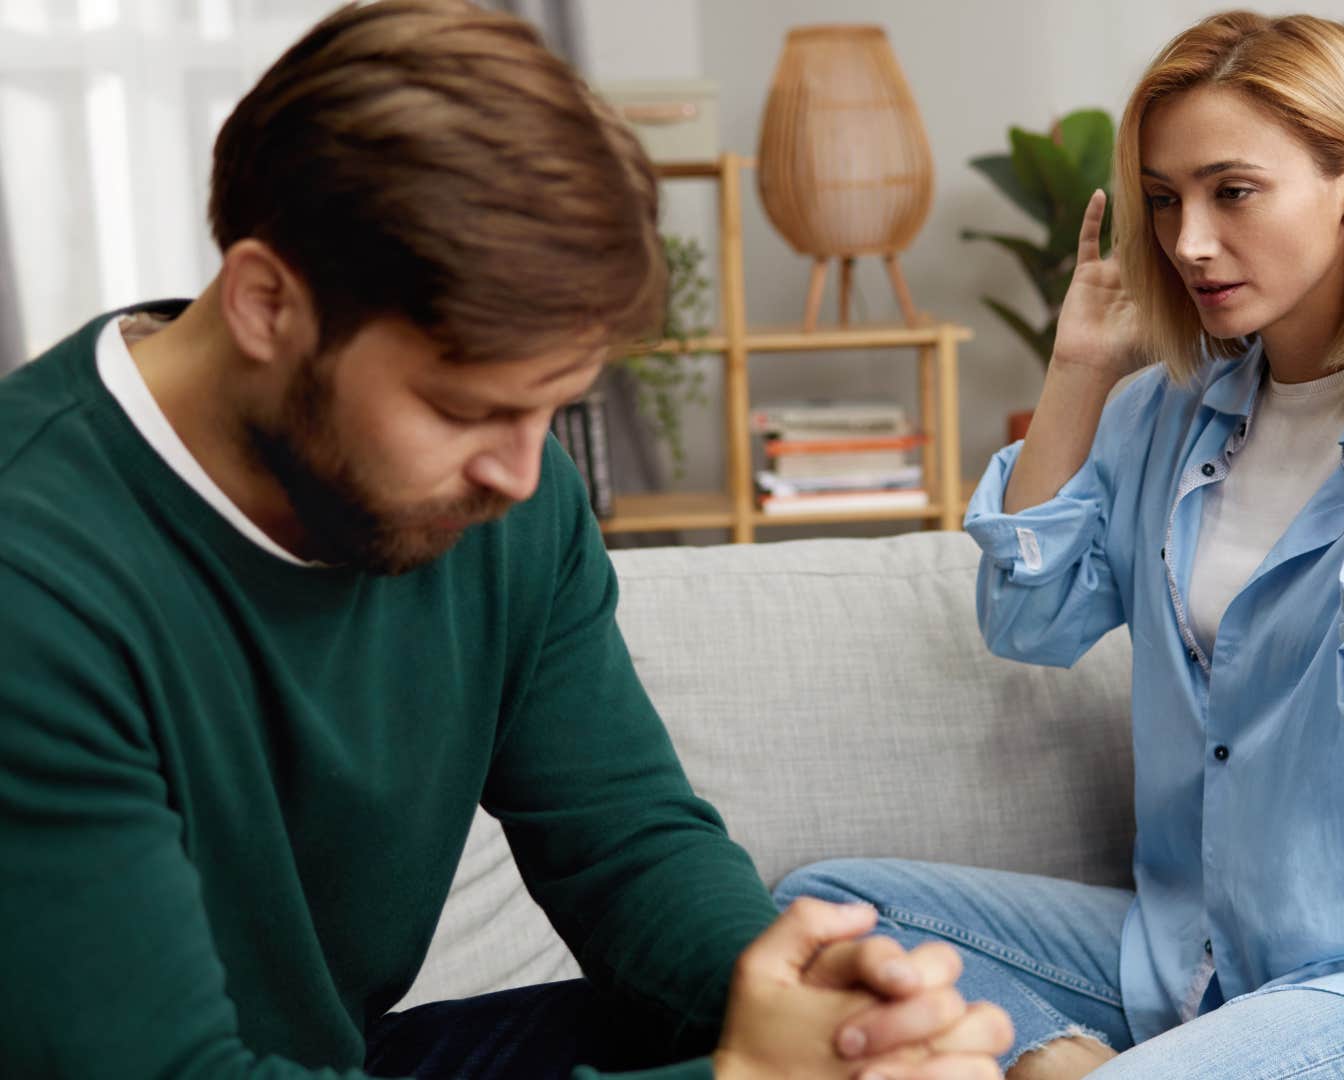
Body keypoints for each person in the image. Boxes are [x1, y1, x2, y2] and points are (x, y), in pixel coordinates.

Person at [0, 3, 1011, 1078]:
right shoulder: (36, 581)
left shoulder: (506, 501)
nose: (522, 478)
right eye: (464, 409)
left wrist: (812, 1015)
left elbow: (623, 843)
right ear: (264, 303)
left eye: (554, 411)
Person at [777, 11, 1344, 1080]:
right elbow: (1030, 622)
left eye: (1232, 191)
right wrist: (1079, 371)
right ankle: (1057, 1060)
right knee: (820, 913)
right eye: (1165, 199)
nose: (1190, 240)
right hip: (1195, 955)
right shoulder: (1169, 407)